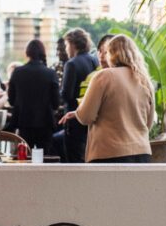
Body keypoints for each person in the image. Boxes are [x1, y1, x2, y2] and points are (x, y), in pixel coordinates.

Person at [59, 34, 154, 163]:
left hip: (110, 153)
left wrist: (78, 112)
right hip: (142, 153)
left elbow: (86, 117)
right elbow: (148, 123)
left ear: (111, 54)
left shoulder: (104, 76)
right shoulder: (144, 80)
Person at [8, 40, 60, 150]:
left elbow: (12, 101)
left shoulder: (17, 72)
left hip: (24, 122)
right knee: (45, 155)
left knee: (25, 155)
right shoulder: (51, 73)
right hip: (45, 122)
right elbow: (56, 103)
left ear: (27, 53)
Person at [56, 28, 99, 163]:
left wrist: (57, 90)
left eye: (66, 45)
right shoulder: (95, 61)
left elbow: (66, 95)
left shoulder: (71, 64)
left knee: (73, 160)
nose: (66, 49)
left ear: (73, 44)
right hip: (92, 119)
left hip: (74, 121)